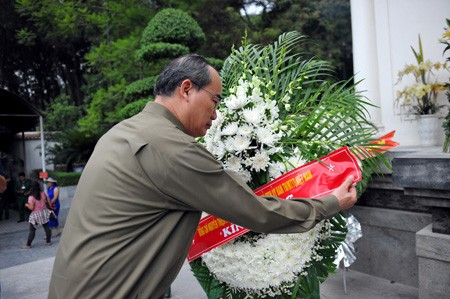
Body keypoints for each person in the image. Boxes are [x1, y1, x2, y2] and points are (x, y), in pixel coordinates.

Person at [49, 54, 357, 299]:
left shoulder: (123, 131)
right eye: (215, 100)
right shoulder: (173, 149)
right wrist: (329, 203)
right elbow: (255, 212)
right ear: (186, 89)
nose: (216, 114)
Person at [20, 181, 52, 249]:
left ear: (31, 188)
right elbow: (49, 202)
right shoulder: (43, 193)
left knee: (32, 230)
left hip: (35, 214)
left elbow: (31, 208)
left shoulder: (31, 197)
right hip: (44, 212)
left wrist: (26, 205)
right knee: (46, 227)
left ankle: (28, 245)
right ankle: (48, 242)